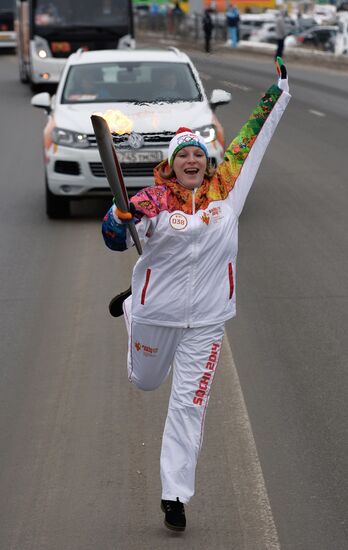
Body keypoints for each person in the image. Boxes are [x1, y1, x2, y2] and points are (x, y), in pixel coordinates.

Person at [102, 59, 290, 532]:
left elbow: (253, 138)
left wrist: (279, 90)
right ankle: (130, 304)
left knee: (189, 406)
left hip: (206, 321)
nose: (192, 161)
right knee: (145, 383)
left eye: (199, 155)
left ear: (207, 162)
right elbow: (116, 238)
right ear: (170, 163)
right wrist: (114, 221)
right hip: (155, 313)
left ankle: (174, 496)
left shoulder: (226, 193)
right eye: (183, 155)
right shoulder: (151, 200)